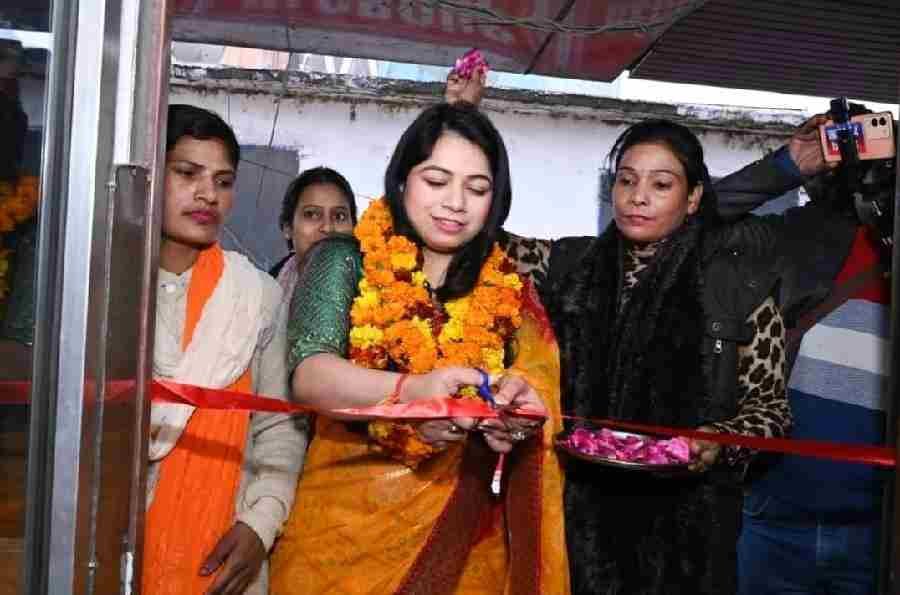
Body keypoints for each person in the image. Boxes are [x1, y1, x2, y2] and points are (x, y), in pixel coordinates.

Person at [269, 102, 570, 594]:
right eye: (436, 181)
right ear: (402, 179)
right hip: (340, 535)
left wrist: (516, 418)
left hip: (462, 538)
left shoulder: (508, 289)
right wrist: (415, 391)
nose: (456, 203)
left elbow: (532, 389)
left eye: (477, 189)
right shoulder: (346, 259)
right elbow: (310, 375)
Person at [536, 120, 791, 594]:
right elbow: (476, 239)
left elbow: (772, 411)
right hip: (571, 522)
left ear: (693, 199)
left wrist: (716, 440)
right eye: (626, 180)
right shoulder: (567, 266)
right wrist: (463, 118)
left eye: (661, 184)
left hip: (689, 537)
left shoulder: (736, 287)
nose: (638, 197)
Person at [720, 111, 894, 595]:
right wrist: (787, 166)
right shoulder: (799, 238)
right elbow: (683, 224)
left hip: (879, 534)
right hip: (774, 521)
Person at [142, 104, 307, 595]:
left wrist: (261, 522)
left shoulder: (255, 295)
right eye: (187, 173)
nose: (207, 194)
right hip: (113, 536)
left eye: (223, 181)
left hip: (225, 544)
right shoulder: (106, 284)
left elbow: (279, 426)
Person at [269, 166, 357, 290]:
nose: (328, 228)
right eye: (311, 214)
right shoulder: (262, 294)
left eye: (339, 216)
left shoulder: (378, 290)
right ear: (288, 228)